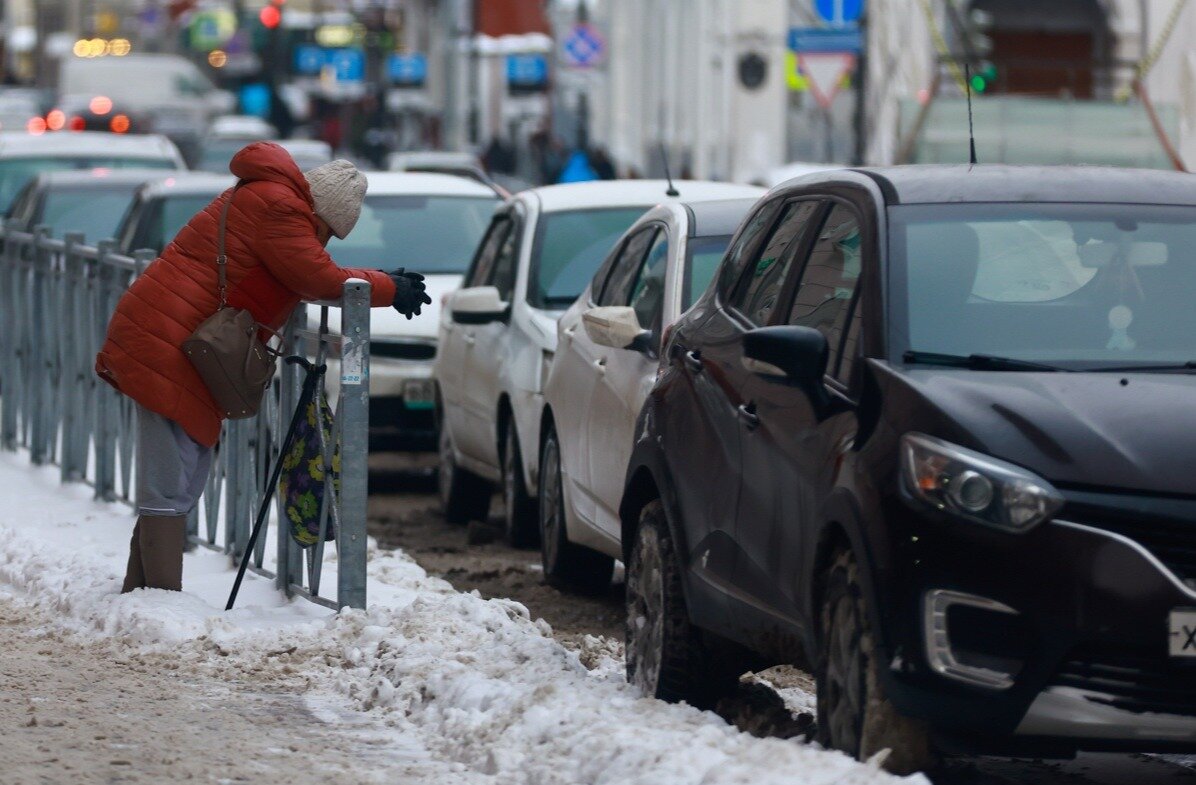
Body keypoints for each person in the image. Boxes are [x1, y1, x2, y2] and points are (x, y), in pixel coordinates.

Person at [96, 142, 430, 593]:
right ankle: (157, 598)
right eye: (327, 233)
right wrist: (389, 287)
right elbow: (316, 275)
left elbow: (304, 267)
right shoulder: (280, 208)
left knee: (181, 470)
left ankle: (143, 596)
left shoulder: (271, 198)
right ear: (322, 212)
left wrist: (378, 281)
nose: (323, 243)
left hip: (178, 338)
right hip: (166, 341)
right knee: (170, 476)